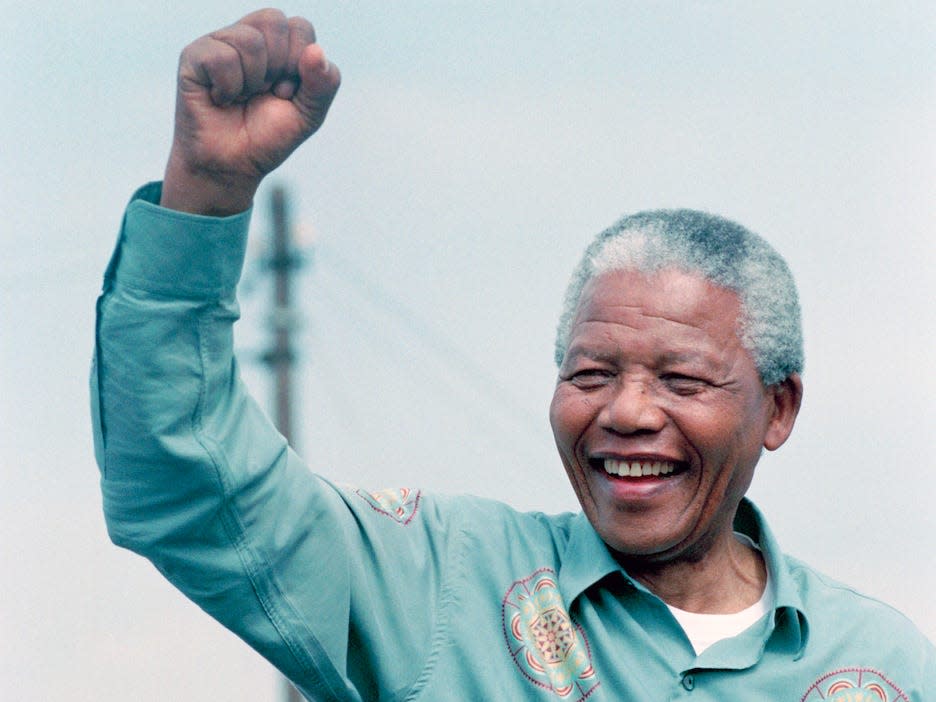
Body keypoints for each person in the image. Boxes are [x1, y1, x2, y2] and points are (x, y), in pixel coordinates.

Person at [91, 9, 935, 701]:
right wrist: (205, 193)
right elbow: (185, 483)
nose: (628, 413)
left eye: (680, 379)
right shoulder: (440, 583)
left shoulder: (882, 667)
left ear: (778, 409)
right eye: (591, 373)